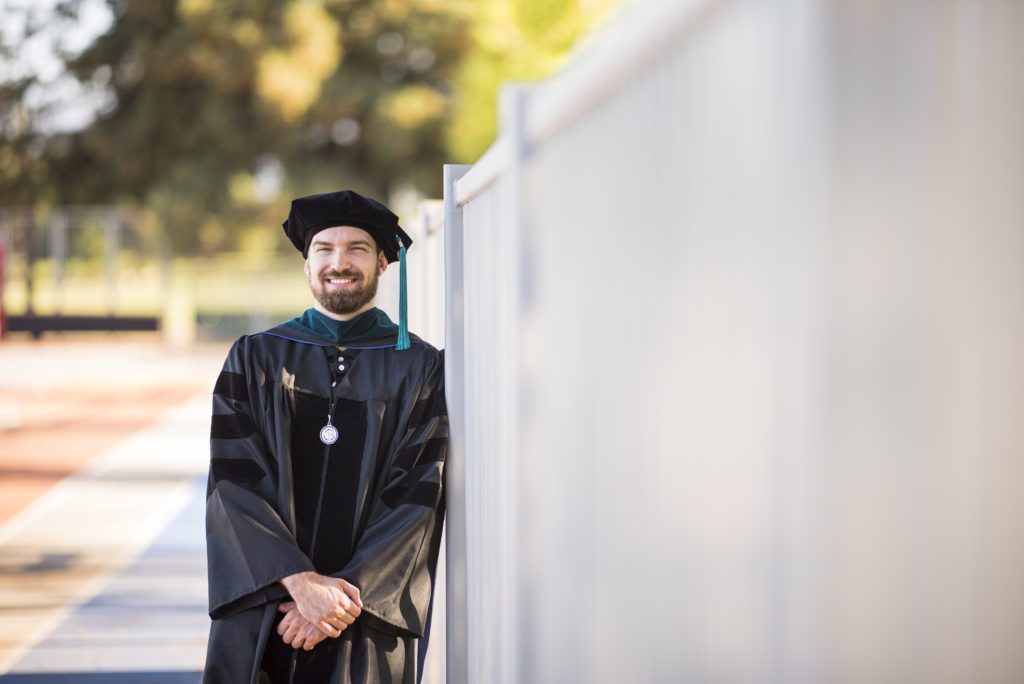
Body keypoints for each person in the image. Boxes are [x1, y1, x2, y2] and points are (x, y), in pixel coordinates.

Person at [202, 190, 447, 683]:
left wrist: (338, 600)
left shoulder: (419, 368)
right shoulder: (256, 358)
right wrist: (298, 583)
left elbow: (417, 493)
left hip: (363, 615)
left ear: (382, 262)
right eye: (325, 249)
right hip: (267, 607)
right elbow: (234, 482)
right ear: (307, 263)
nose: (340, 262)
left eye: (357, 249)